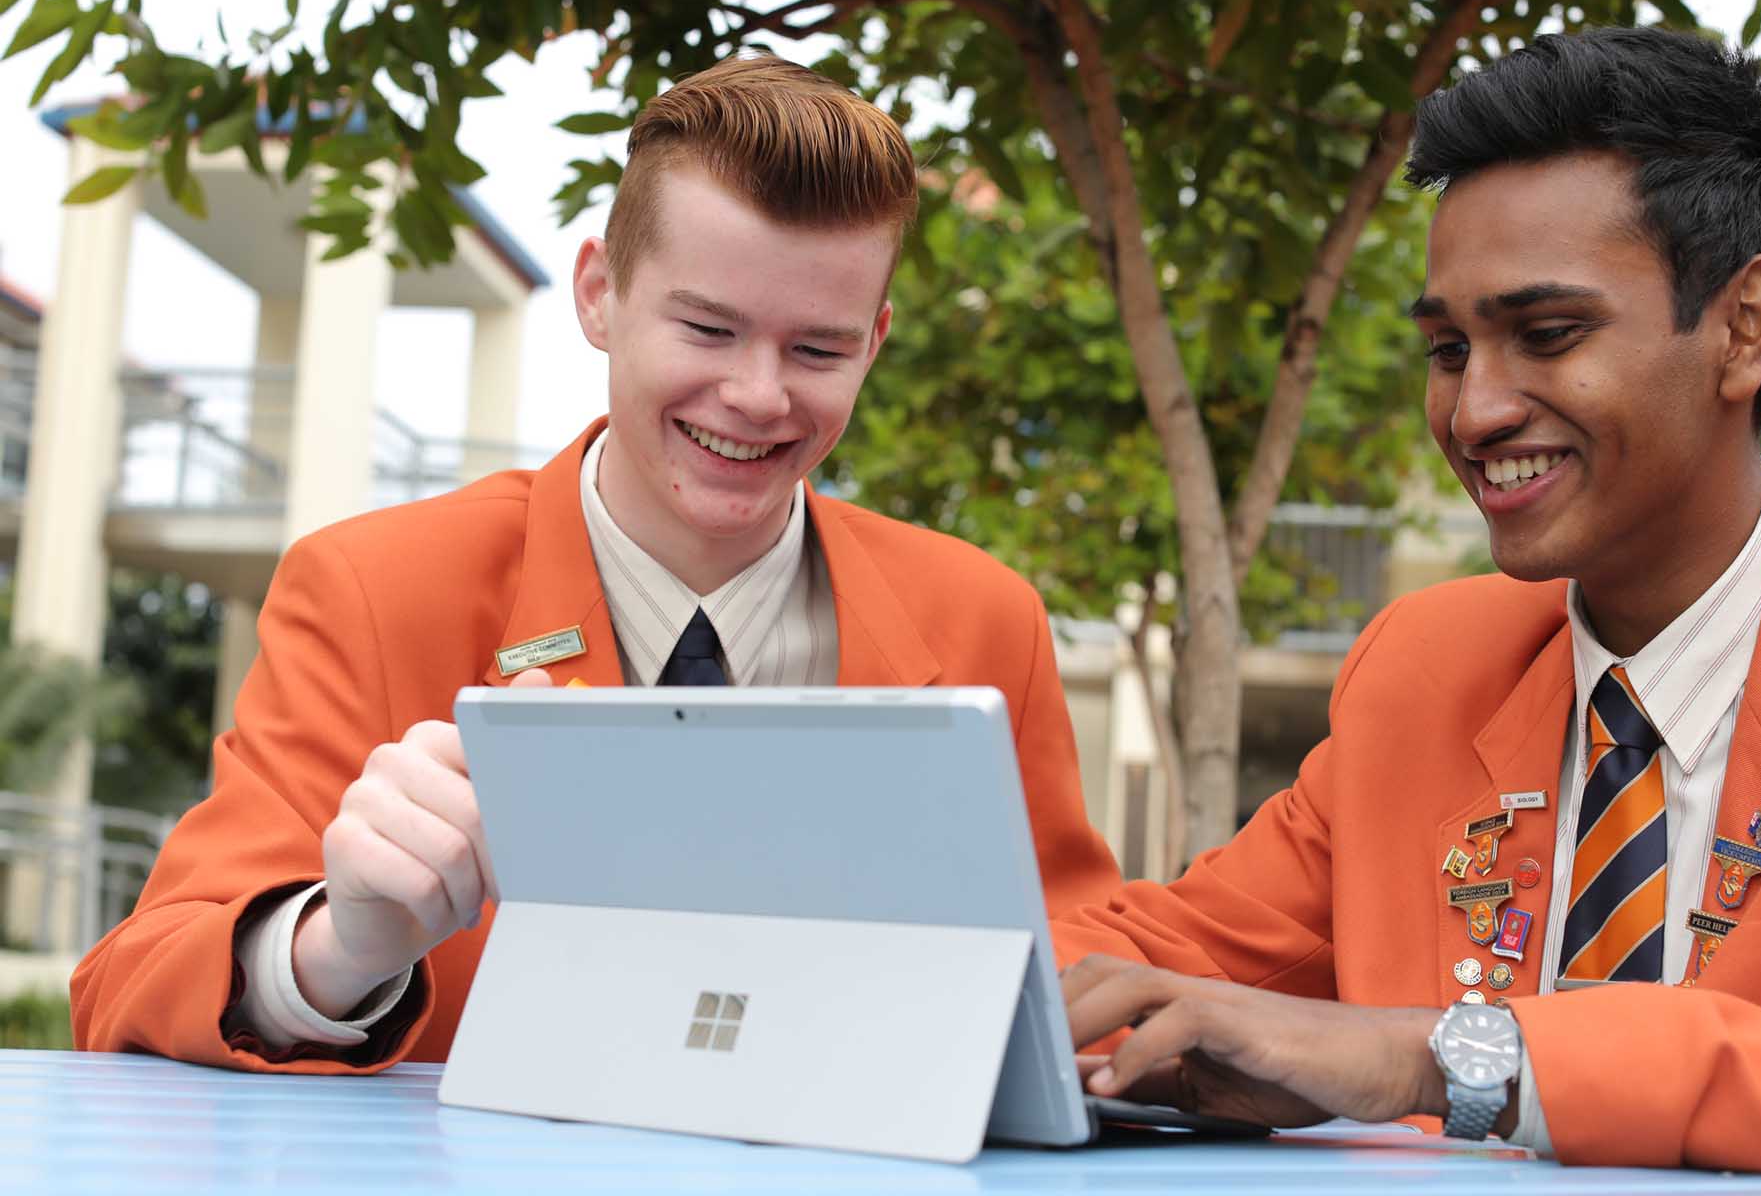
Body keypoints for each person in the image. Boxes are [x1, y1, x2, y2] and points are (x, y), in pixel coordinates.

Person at [71, 54, 1120, 1069]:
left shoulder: (989, 620)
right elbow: (126, 984)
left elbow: (1084, 985)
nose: (759, 395)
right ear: (598, 293)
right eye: (708, 328)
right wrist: (338, 950)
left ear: (876, 341)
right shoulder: (371, 588)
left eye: (818, 350)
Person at [1054, 27, 1761, 1189]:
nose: (1474, 411)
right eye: (1450, 347)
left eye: (1548, 334)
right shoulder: (1426, 663)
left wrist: (1449, 1058)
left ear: (1742, 327)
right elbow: (1143, 960)